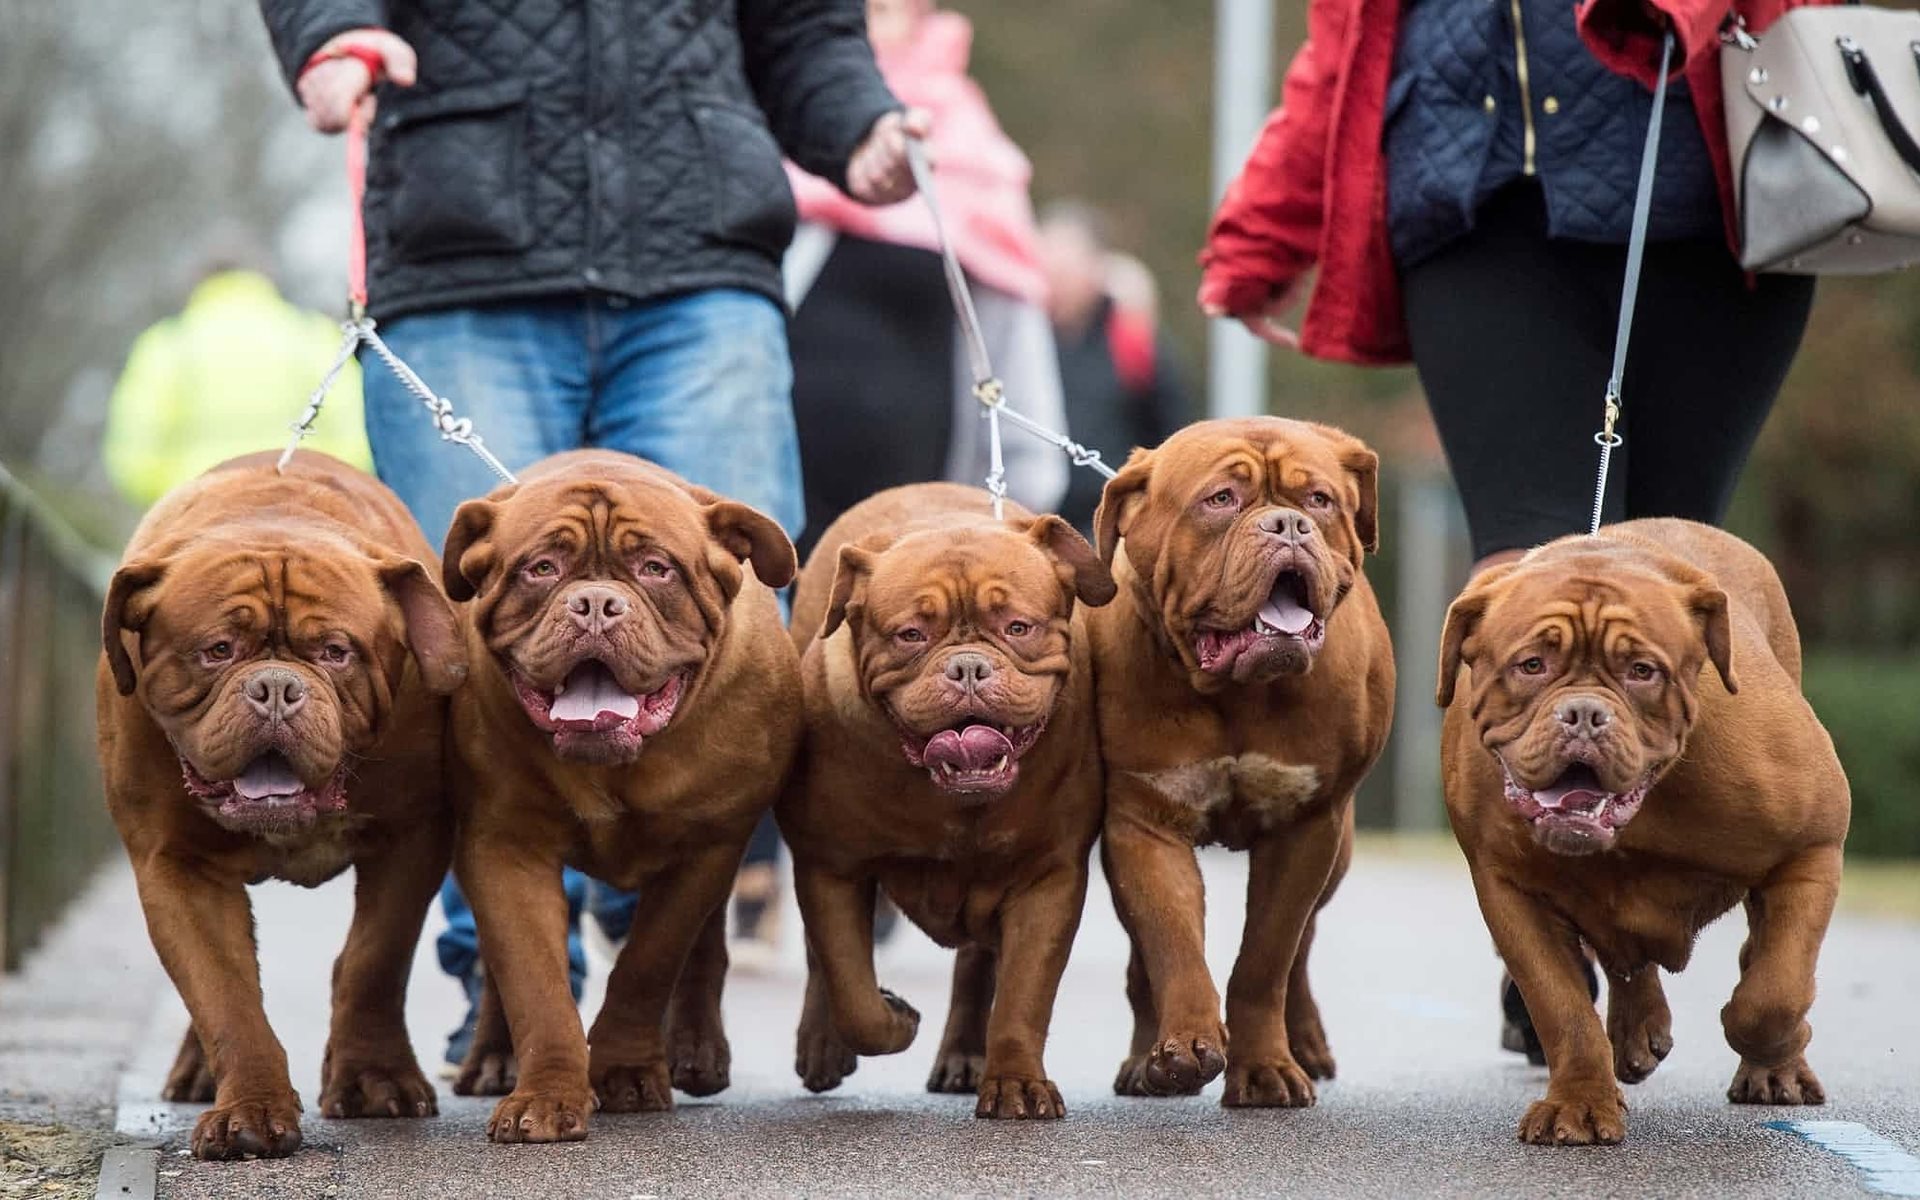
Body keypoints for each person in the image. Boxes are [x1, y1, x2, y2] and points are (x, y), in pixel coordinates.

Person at [260, 0, 924, 1066]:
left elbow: (805, 31)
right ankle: (512, 988)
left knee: (742, 617)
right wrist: (330, 37)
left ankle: (669, 933)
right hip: (463, 249)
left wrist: (861, 125)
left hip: (700, 260)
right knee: (466, 634)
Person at [1197, 0, 1820, 1061]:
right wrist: (1264, 224)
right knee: (1521, 571)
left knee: (1671, 577)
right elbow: (1344, 52)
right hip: (1477, 202)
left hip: (1707, 195)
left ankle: (1644, 898)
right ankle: (1543, 919)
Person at [783, 0, 1068, 564]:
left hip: (916, 479)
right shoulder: (777, 125)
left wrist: (1022, 478)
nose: (866, 21)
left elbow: (1010, 325)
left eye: (885, 8)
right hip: (777, 464)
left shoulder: (968, 142)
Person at [104, 251, 371, 508]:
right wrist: (326, 484)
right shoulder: (310, 334)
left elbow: (134, 456)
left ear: (197, 284)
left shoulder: (168, 344)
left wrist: (174, 493)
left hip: (199, 511)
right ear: (265, 278)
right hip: (306, 504)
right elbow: (359, 431)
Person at [1036, 201, 1191, 537]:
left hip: (1110, 528)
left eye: (1065, 270)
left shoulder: (1133, 341)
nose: (1054, 282)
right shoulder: (1019, 340)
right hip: (1031, 522)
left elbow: (1171, 434)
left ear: (1096, 269)